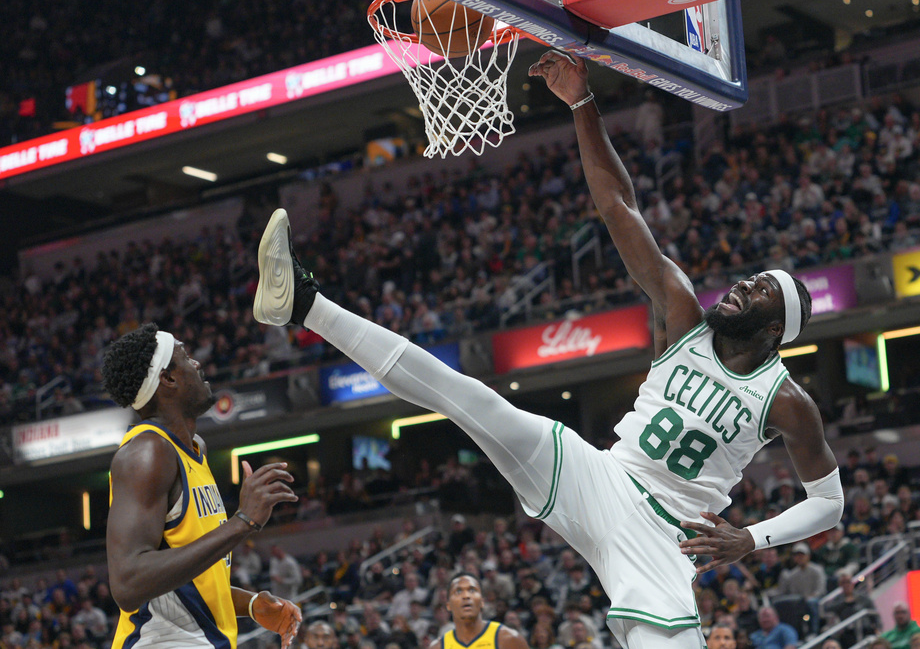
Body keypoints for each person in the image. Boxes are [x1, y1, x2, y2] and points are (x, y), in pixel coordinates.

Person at [251, 52, 844, 649]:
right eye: (749, 279)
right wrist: (583, 104)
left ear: (776, 330)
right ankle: (304, 305)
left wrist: (750, 539)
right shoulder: (683, 311)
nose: (743, 286)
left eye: (762, 290)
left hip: (667, 537)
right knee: (471, 399)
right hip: (602, 477)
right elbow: (620, 207)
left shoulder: (786, 399)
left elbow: (829, 503)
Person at [102, 323, 302, 649]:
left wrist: (250, 605)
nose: (196, 364)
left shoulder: (195, 448)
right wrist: (242, 522)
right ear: (168, 378)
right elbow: (128, 582)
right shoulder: (146, 454)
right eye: (186, 357)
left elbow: (186, 582)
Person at [428, 575, 528, 649]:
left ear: (482, 602)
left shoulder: (509, 639)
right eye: (458, 591)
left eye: (472, 590)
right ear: (448, 605)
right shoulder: (438, 647)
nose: (466, 596)